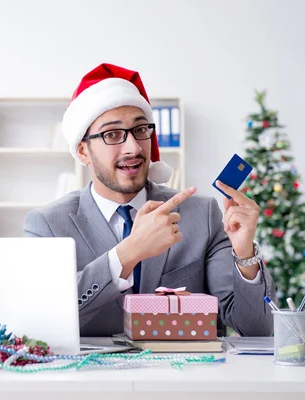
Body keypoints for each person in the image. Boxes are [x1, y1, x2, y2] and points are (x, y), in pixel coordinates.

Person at [24, 63, 274, 337]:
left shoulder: (202, 214)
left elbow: (257, 330)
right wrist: (127, 254)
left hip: (187, 375)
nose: (133, 148)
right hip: (95, 377)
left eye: (141, 130)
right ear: (83, 151)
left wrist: (246, 256)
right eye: (112, 134)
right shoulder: (47, 225)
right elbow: (43, 319)